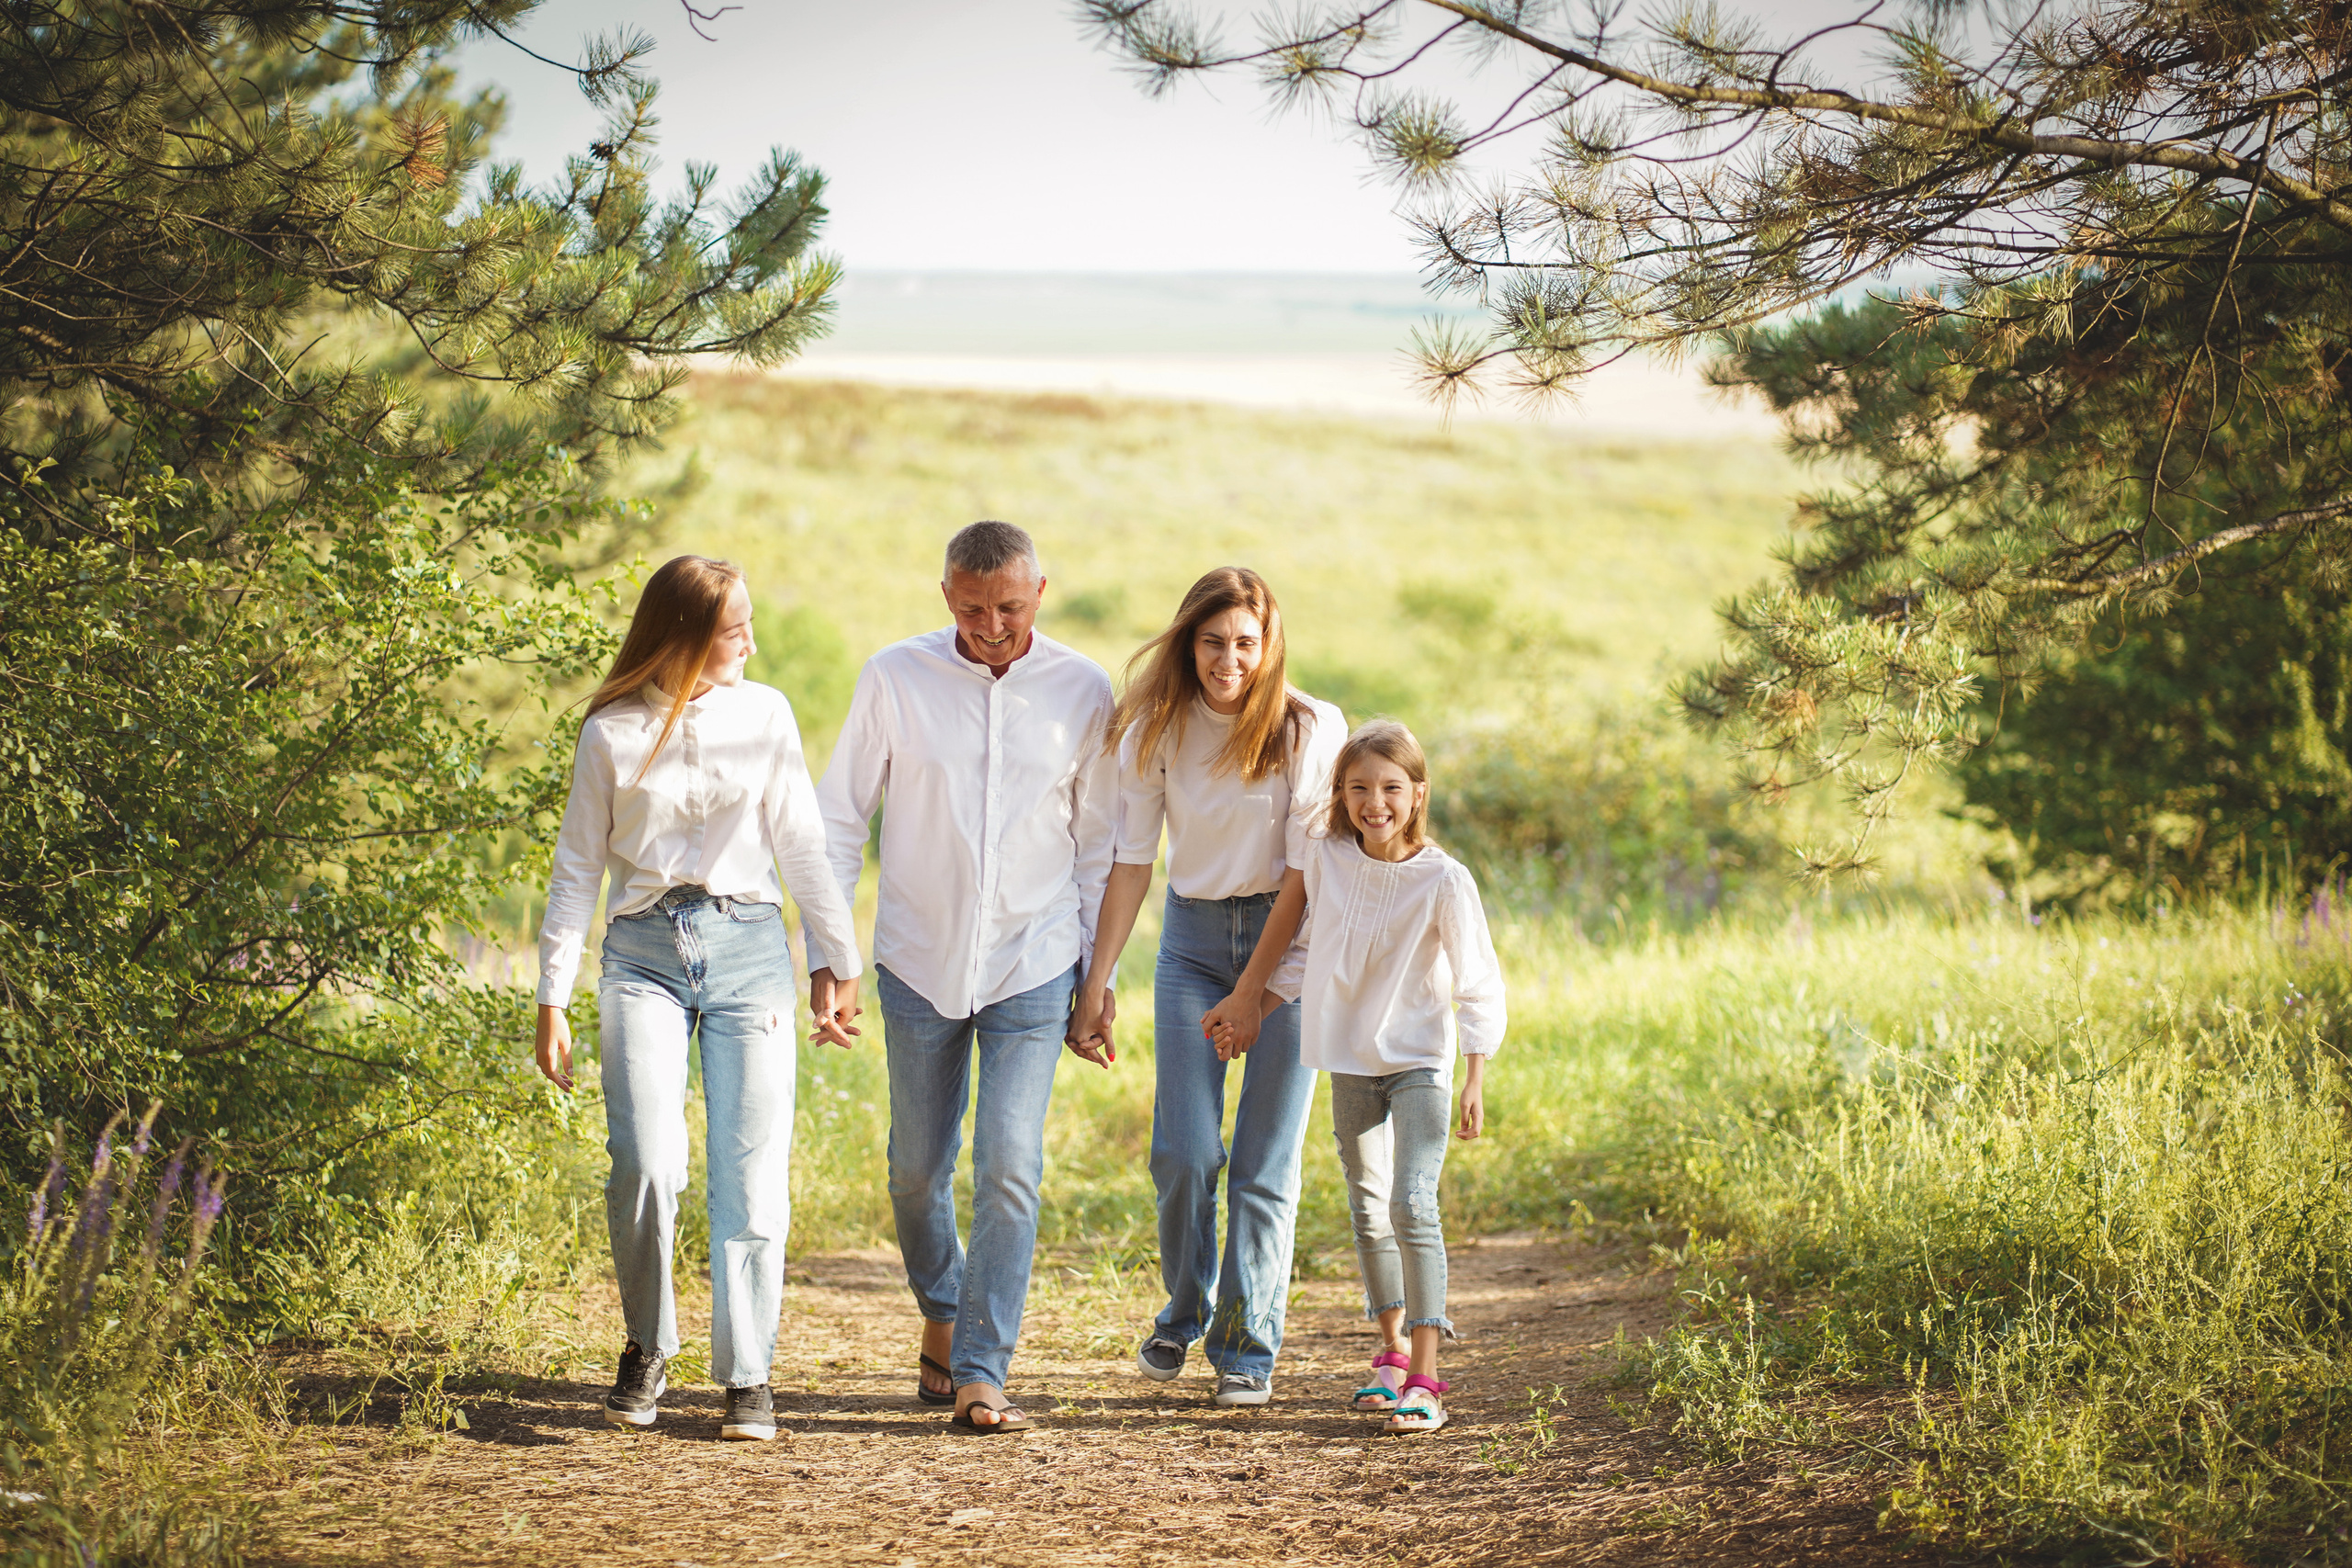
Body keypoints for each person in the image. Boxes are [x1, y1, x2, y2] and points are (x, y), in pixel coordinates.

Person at [532, 555, 864, 1444]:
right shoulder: (609, 733)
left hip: (749, 948)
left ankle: (748, 1372)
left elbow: (801, 840)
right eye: (732, 627)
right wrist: (552, 996)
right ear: (681, 637)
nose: (751, 639)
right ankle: (648, 1342)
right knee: (646, 1161)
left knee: (750, 1174)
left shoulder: (766, 715)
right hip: (642, 955)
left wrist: (837, 960)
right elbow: (576, 871)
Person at [809, 520, 1117, 1435]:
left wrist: (1095, 982)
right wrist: (831, 954)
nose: (993, 625)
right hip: (916, 959)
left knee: (1010, 1168)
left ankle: (983, 1367)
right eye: (975, 608)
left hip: (1033, 959)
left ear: (1041, 592)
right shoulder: (892, 677)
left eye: (1011, 608)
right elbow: (837, 820)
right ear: (946, 595)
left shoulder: (1080, 687)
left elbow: (1098, 843)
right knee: (915, 1171)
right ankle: (943, 1307)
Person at [1069, 567, 1344, 1406]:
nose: (1230, 660)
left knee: (1264, 1162)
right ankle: (1184, 1310)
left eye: (1246, 644)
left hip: (1289, 946)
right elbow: (1131, 862)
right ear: (1189, 641)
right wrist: (1096, 981)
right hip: (1191, 943)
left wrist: (1256, 995)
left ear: (1270, 647)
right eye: (1213, 641)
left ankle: (1247, 1345)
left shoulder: (1308, 727)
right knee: (1185, 1151)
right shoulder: (1156, 727)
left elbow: (1304, 876)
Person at [1242, 719, 1505, 1435]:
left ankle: (1426, 1375)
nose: (1374, 801)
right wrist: (1251, 1010)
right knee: (1367, 1206)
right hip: (1350, 1059)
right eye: (1359, 787)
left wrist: (1475, 1075)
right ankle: (1388, 1354)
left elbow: (1478, 984)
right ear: (1342, 793)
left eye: (1391, 787)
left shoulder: (1444, 879)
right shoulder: (1328, 858)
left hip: (1420, 1060)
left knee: (1412, 1203)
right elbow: (1305, 956)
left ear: (1417, 794)